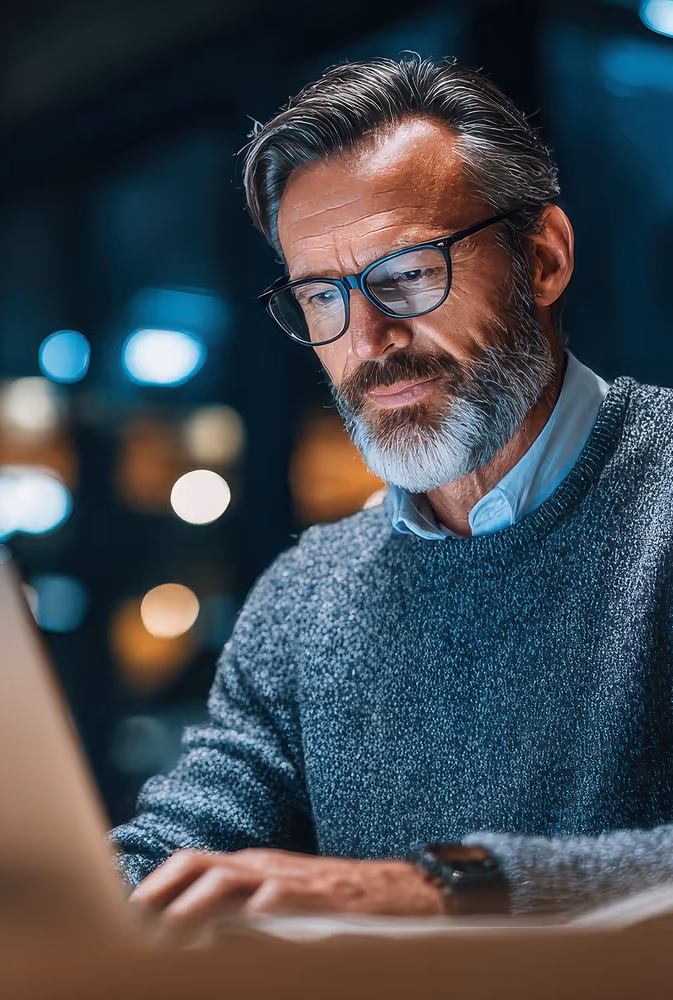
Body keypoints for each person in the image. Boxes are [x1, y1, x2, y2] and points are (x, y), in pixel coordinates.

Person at [109, 55, 673, 935]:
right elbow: (178, 851)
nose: (367, 338)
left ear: (544, 258)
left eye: (407, 272)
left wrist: (441, 893)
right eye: (321, 296)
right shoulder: (304, 599)